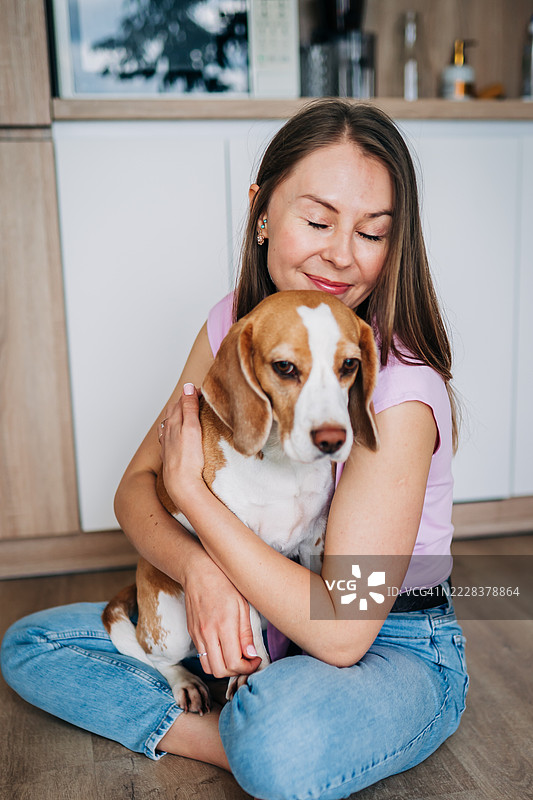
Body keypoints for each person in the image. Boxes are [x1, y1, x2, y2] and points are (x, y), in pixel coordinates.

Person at [1, 99, 468, 799]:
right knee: (31, 643)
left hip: (386, 639)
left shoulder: (393, 387)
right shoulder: (235, 326)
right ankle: (240, 719)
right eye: (317, 221)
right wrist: (198, 571)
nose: (341, 253)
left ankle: (239, 731)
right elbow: (134, 488)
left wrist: (193, 499)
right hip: (257, 602)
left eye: (372, 232)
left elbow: (343, 635)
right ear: (260, 212)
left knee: (280, 744)